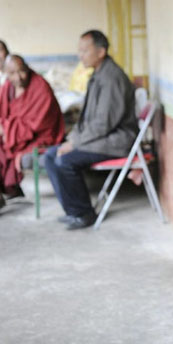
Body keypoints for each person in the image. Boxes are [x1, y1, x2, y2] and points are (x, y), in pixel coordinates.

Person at [44, 30, 137, 230]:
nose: (80, 55)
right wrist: (73, 139)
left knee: (64, 161)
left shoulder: (111, 78)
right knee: (50, 156)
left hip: (115, 140)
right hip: (101, 137)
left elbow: (103, 124)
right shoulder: (98, 73)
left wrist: (75, 144)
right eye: (79, 50)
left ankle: (85, 213)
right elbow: (87, 119)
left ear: (101, 51)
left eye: (85, 50)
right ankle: (73, 210)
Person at [0, 55, 64, 217]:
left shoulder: (40, 87)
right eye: (12, 73)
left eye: (22, 72)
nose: (18, 77)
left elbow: (39, 123)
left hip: (37, 137)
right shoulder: (7, 88)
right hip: (14, 134)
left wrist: (8, 129)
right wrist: (2, 127)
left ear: (28, 68)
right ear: (6, 73)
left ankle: (9, 189)